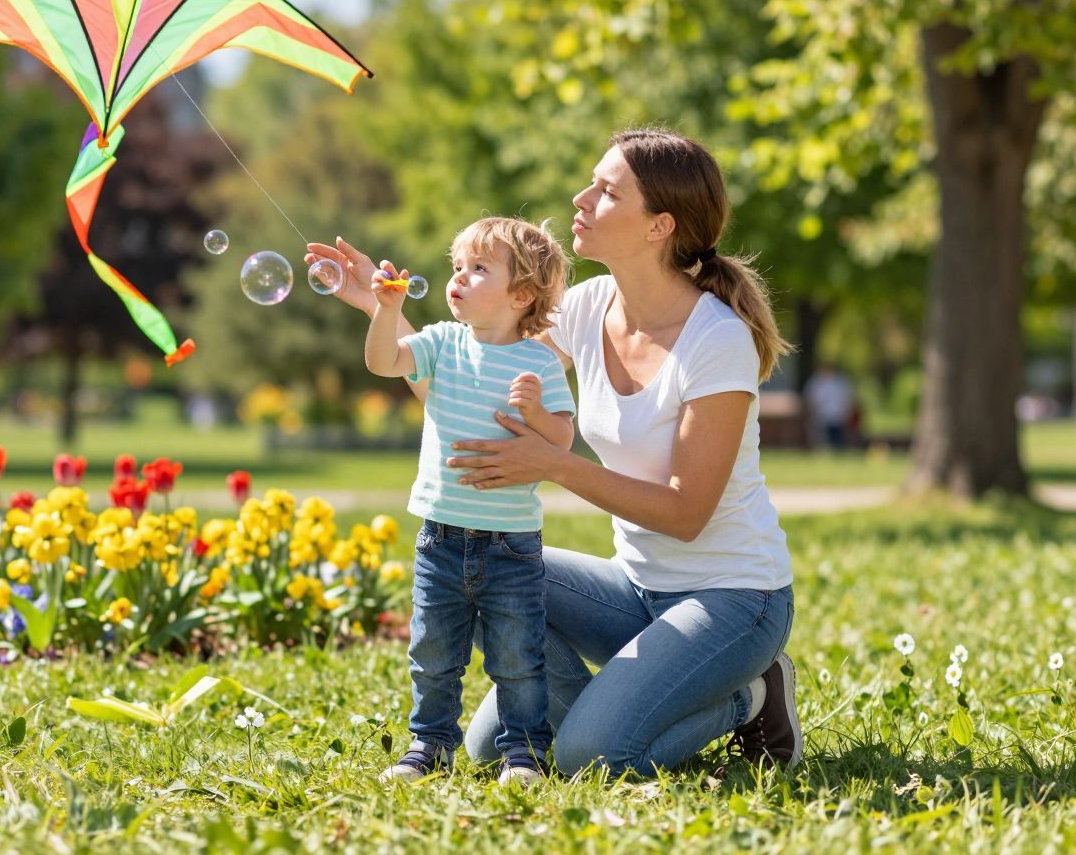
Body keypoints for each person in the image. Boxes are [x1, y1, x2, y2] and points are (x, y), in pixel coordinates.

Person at [309, 129, 800, 778]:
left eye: (605, 191)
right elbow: (462, 382)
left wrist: (554, 465)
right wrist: (381, 309)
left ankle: (748, 695)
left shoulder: (717, 340)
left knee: (591, 756)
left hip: (732, 600)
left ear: (659, 226)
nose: (581, 197)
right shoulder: (586, 306)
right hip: (634, 588)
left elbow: (687, 514)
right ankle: (622, 693)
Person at [364, 217, 576, 785]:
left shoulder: (540, 363)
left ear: (522, 294)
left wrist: (534, 414)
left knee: (517, 659)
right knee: (433, 657)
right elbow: (383, 363)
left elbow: (561, 443)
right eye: (457, 266)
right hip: (440, 537)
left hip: (511, 544)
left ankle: (525, 755)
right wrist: (384, 310)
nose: (459, 277)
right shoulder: (439, 342)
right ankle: (428, 746)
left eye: (479, 268)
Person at [804, 361, 858, 449]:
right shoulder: (815, 382)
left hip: (838, 418)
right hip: (821, 418)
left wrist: (847, 414)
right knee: (822, 443)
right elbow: (810, 400)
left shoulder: (841, 382)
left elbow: (848, 399)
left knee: (838, 443)